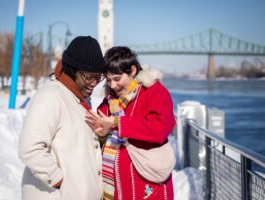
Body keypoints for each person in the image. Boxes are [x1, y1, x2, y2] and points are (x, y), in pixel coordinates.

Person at [18, 36, 106, 200]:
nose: (94, 83)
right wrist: (58, 180)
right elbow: (30, 148)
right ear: (72, 70)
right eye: (89, 77)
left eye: (98, 77)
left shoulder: (79, 97)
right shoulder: (51, 96)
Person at [85, 46, 176, 200]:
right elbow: (102, 127)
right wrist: (102, 134)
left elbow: (159, 129)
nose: (113, 85)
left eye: (117, 78)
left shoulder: (154, 92)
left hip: (148, 183)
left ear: (132, 71)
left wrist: (116, 122)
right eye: (108, 80)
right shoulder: (110, 99)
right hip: (118, 188)